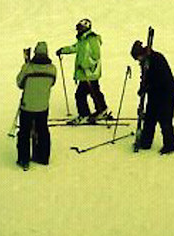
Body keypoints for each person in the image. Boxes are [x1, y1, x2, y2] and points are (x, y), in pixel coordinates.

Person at [131, 38, 174, 154]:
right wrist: (142, 88)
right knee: (149, 119)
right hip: (154, 94)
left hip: (166, 93)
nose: (138, 61)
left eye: (138, 58)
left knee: (165, 121)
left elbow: (161, 78)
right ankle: (145, 142)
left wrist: (147, 87)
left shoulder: (157, 58)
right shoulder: (145, 62)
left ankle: (170, 146)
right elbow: (145, 78)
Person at [56, 18, 108, 123]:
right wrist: (63, 50)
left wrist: (85, 65)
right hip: (86, 73)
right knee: (94, 91)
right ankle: (102, 110)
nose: (78, 31)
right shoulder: (82, 40)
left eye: (80, 28)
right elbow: (74, 48)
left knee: (81, 94)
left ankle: (85, 114)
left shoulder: (92, 39)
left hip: (89, 73)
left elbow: (96, 55)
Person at [16, 41, 56, 169]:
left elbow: (19, 83)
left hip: (27, 106)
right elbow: (52, 83)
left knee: (24, 133)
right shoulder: (52, 69)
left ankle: (24, 160)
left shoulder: (28, 68)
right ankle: (43, 157)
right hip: (43, 106)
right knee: (43, 131)